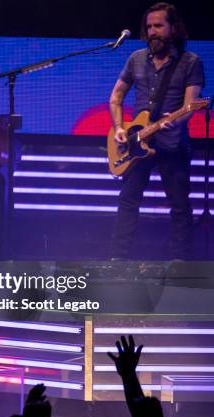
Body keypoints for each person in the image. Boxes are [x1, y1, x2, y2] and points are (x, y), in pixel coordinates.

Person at [109, 2, 204, 260]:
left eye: (159, 26)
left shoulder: (190, 62)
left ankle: (180, 263)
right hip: (137, 141)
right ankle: (119, 260)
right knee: (128, 202)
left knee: (179, 206)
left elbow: (191, 106)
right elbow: (116, 97)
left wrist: (177, 120)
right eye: (149, 26)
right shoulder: (136, 59)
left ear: (173, 28)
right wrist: (119, 128)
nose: (152, 31)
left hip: (172, 144)